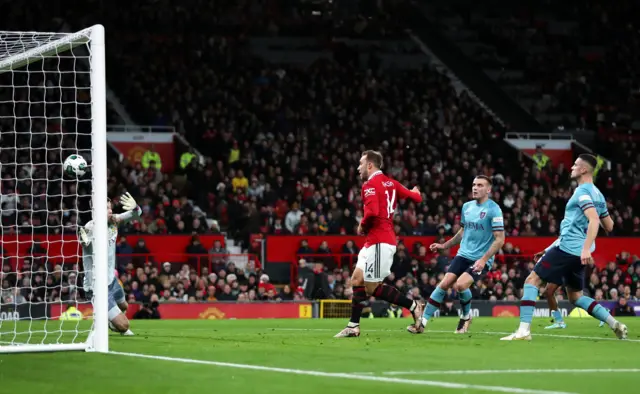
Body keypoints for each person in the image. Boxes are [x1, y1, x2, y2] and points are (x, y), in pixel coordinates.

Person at [501, 154, 627, 340]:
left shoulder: (582, 193)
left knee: (532, 280)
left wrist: (584, 247)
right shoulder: (598, 195)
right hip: (576, 253)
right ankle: (614, 323)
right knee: (575, 297)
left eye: (575, 165)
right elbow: (609, 226)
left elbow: (593, 220)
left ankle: (524, 331)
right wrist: (577, 246)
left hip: (569, 249)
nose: (571, 168)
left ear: (584, 170)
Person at [334, 150, 424, 338]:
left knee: (372, 288)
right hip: (375, 242)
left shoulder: (369, 185)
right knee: (357, 280)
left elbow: (373, 212)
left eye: (360, 164)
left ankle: (413, 306)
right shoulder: (392, 183)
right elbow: (416, 197)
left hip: (380, 242)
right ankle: (353, 326)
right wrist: (416, 192)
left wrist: (362, 225)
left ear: (370, 165)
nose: (358, 168)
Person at [410, 175, 505, 334]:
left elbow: (500, 239)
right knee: (444, 283)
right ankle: (422, 323)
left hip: (480, 259)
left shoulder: (494, 209)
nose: (475, 188)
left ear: (488, 189)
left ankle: (466, 317)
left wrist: (484, 259)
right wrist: (444, 245)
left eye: (480, 185)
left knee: (460, 285)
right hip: (463, 254)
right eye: (474, 184)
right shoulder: (467, 207)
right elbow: (462, 232)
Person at [79, 193, 141, 336]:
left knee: (125, 305)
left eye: (110, 208)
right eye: (107, 208)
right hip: (97, 286)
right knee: (124, 326)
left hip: (111, 280)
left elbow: (137, 215)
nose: (110, 211)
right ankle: (108, 319)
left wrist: (135, 208)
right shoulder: (90, 227)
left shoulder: (113, 221)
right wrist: (84, 240)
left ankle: (110, 316)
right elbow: (84, 241)